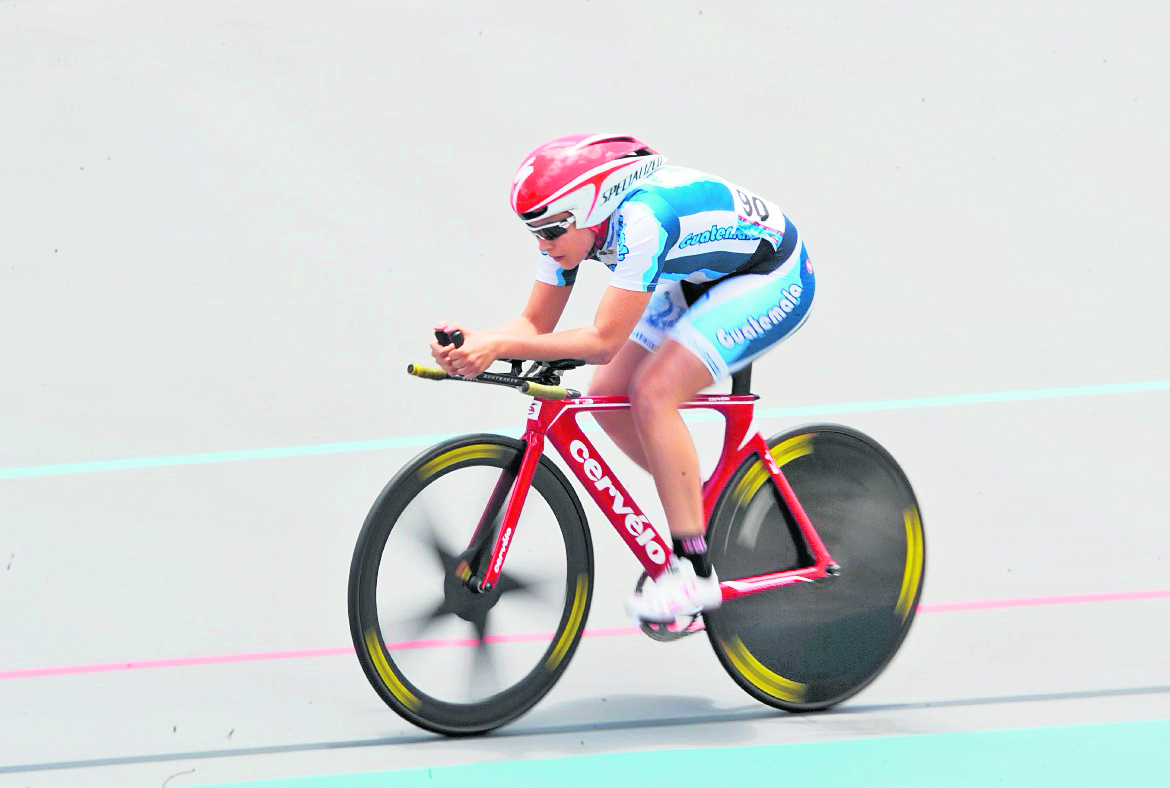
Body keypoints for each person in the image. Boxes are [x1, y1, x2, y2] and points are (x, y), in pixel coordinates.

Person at [430, 133, 815, 624]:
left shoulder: (643, 224)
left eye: (550, 230)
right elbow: (534, 326)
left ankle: (696, 573)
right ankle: (698, 505)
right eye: (534, 233)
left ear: (589, 212)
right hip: (702, 274)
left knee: (654, 394)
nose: (544, 244)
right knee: (608, 395)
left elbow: (603, 341)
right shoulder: (570, 227)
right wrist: (477, 339)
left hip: (772, 277)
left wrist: (501, 348)